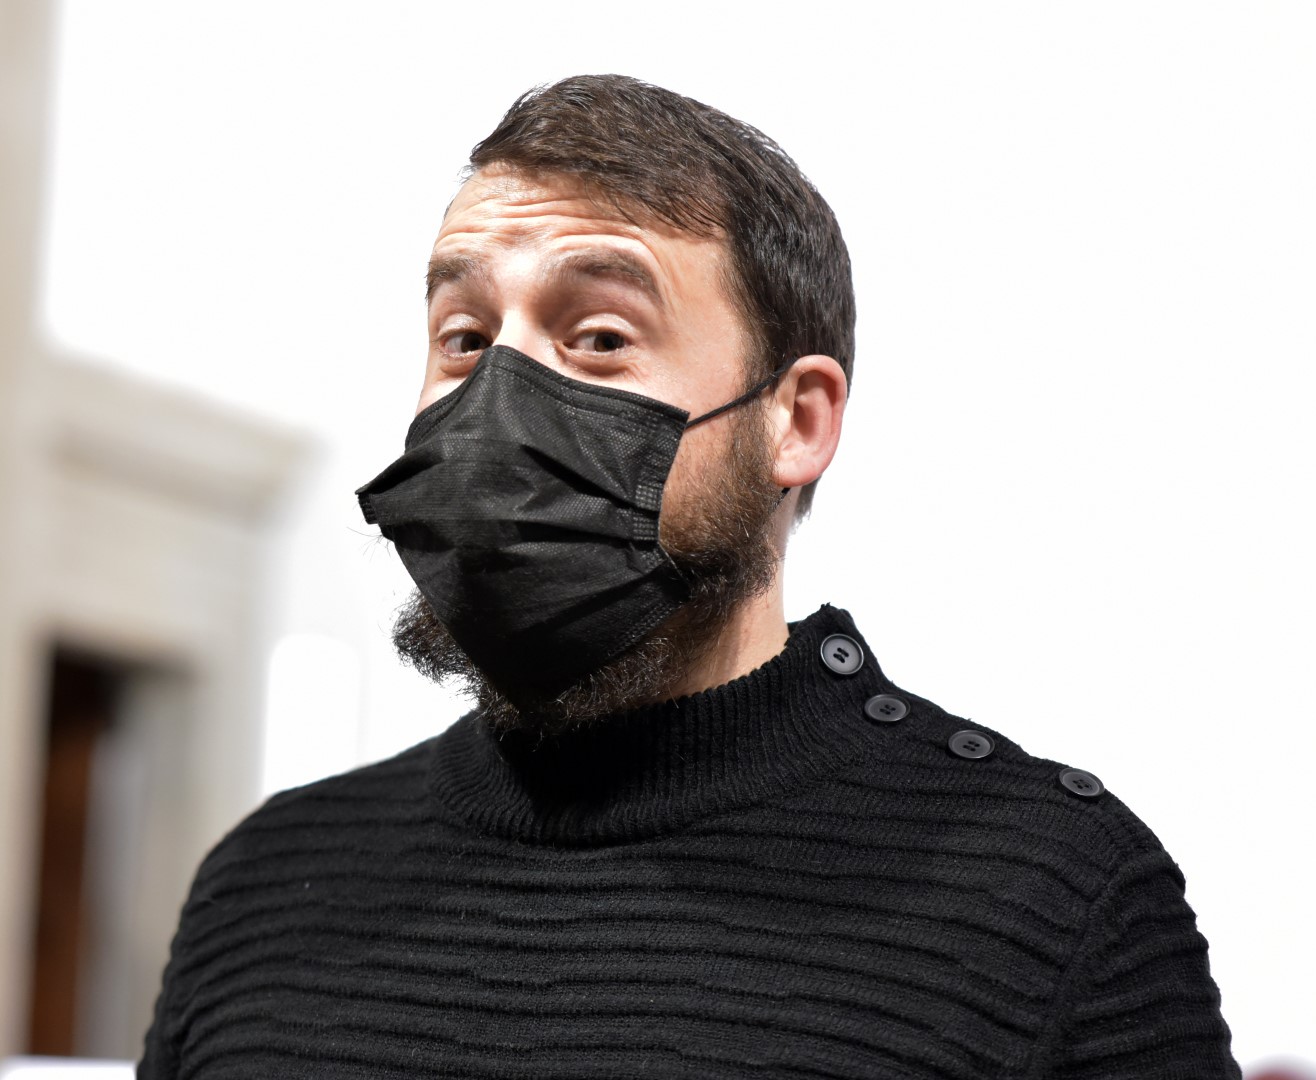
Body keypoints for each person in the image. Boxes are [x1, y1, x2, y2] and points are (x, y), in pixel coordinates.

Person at [139, 75, 1240, 1079]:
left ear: (794, 421)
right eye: (464, 338)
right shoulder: (261, 886)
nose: (493, 408)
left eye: (599, 337)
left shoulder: (1051, 894)